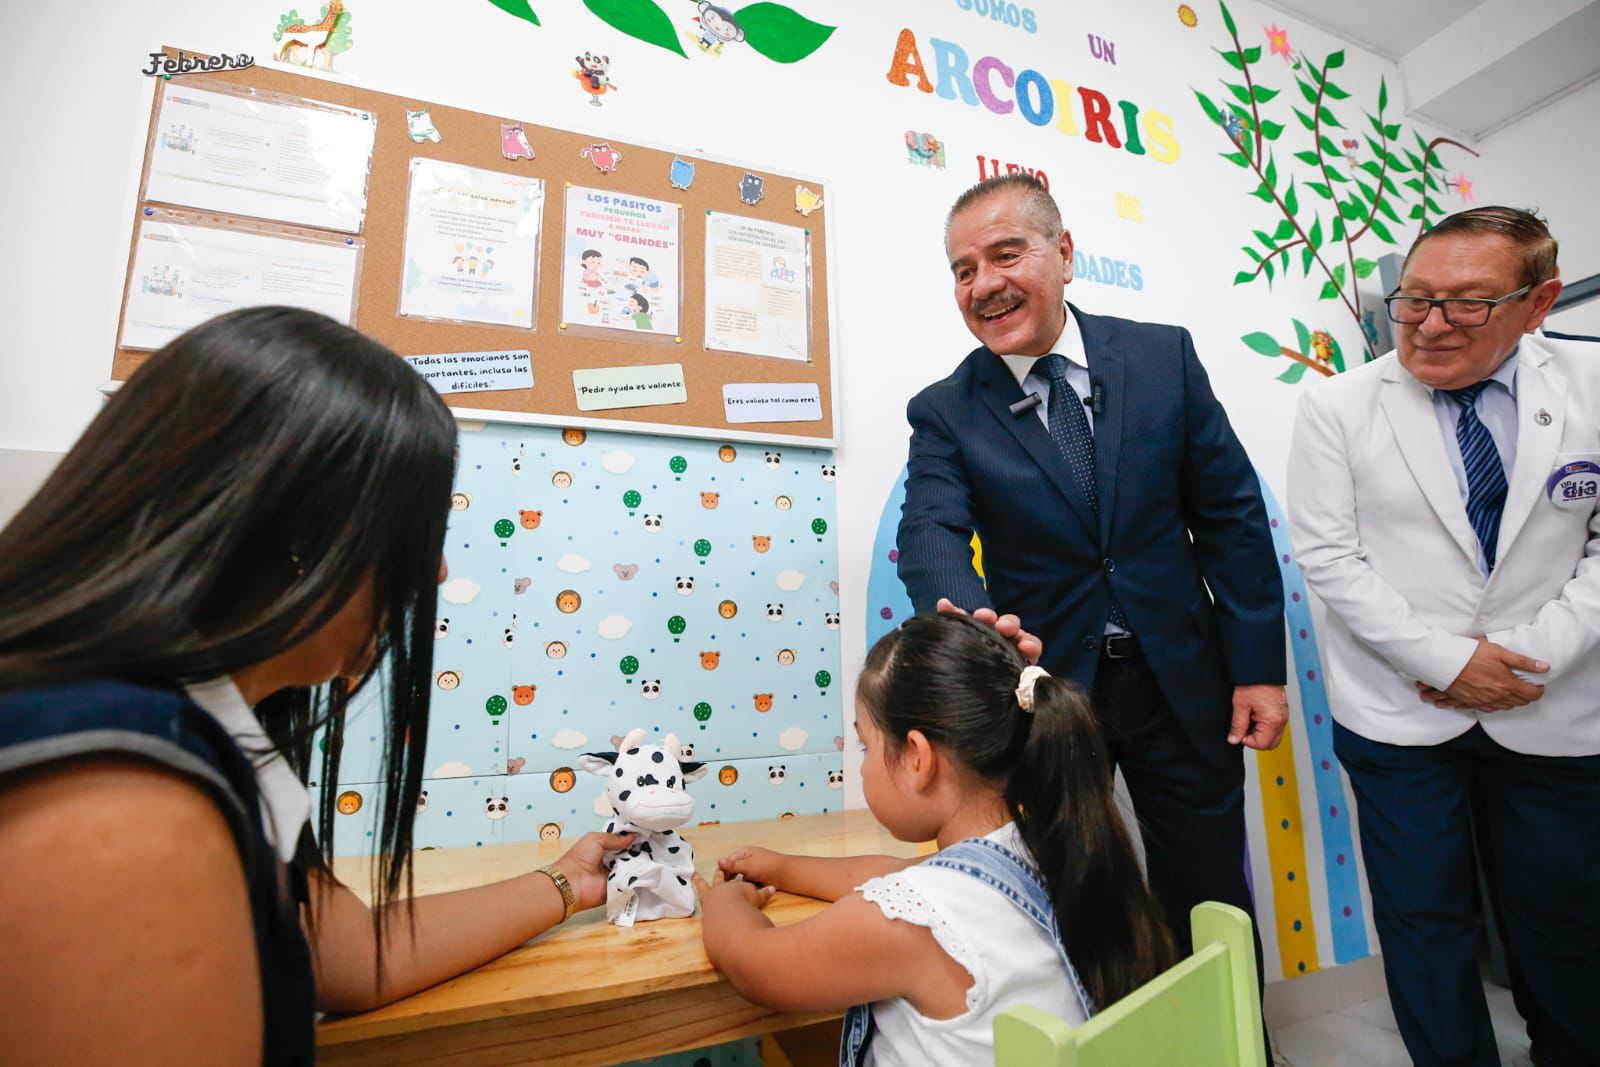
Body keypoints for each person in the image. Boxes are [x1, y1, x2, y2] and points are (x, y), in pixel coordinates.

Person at [0, 307, 633, 1063]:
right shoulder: (119, 798)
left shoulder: (198, 724)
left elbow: (345, 953)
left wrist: (565, 882)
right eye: (421, 531)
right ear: (300, 537)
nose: (435, 571)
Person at [895, 173, 1287, 980]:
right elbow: (929, 529)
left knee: (1210, 894)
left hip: (1184, 683)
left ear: (1064, 253)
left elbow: (1230, 517)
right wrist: (975, 629)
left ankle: (1230, 1035)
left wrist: (1257, 669)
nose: (985, 284)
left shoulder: (1162, 359)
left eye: (1006, 255)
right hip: (1046, 694)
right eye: (964, 270)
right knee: (1071, 902)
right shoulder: (945, 409)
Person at [1287, 206, 1600, 1066]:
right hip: (1399, 714)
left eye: (1467, 304)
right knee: (1424, 921)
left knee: (1567, 918)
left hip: (1554, 706)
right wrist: (1452, 663)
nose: (1429, 325)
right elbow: (1329, 555)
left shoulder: (1593, 385)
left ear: (1538, 304)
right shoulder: (1337, 405)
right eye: (1415, 299)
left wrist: (1528, 660)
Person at [697, 613, 1176, 1065]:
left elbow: (752, 965)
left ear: (917, 758)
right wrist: (783, 868)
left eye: (866, 745)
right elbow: (893, 875)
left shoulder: (908, 926)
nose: (863, 765)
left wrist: (725, 903)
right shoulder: (1049, 849)